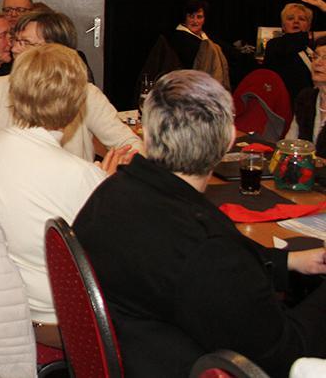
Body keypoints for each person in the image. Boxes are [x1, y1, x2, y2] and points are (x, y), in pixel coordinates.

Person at [74, 70, 326, 377]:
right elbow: (286, 357)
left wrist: (290, 261)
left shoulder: (112, 193)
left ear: (147, 135)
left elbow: (199, 269)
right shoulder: (206, 247)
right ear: (229, 139)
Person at [0, 44, 130, 347]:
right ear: (76, 103)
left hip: (0, 307)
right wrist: (109, 190)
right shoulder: (81, 176)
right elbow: (116, 256)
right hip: (58, 320)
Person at [0, 10, 141, 162]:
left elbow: (129, 144)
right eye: (16, 40)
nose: (14, 49)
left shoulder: (84, 93)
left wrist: (106, 176)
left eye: (25, 42)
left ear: (55, 50)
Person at [139, 0, 230, 90]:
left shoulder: (206, 37)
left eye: (199, 17)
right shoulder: (179, 38)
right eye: (191, 17)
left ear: (204, 19)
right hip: (184, 87)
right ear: (185, 18)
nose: (195, 21)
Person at [265, 2, 321, 101]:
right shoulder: (275, 45)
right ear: (283, 26)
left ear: (309, 26)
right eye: (290, 18)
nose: (296, 21)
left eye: (302, 19)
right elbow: (295, 40)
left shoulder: (311, 49)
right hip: (287, 104)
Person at [285, 35, 326, 155]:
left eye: (325, 58)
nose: (317, 63)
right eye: (315, 57)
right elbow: (290, 144)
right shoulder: (306, 98)